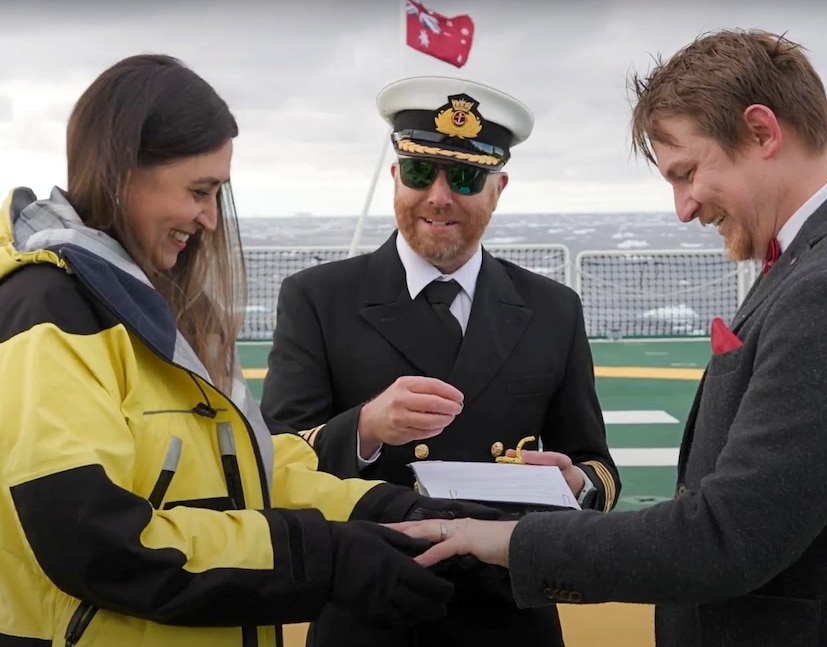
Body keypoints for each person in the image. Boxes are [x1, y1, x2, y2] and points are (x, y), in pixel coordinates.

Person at [0, 54, 500, 647]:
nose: (210, 219)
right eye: (199, 191)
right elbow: (94, 540)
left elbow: (256, 472)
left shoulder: (171, 315)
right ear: (124, 169)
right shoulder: (49, 312)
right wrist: (326, 558)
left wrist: (390, 511)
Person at [394, 29, 827, 647]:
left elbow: (727, 539)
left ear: (762, 132)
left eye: (687, 172)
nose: (683, 208)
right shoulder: (823, 258)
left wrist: (504, 539)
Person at [260, 75, 620, 647]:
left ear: (499, 188)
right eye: (423, 173)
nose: (439, 197)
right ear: (396, 176)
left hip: (507, 617)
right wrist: (366, 428)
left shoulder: (554, 309)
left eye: (467, 178)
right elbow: (276, 463)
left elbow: (596, 466)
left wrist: (575, 483)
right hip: (371, 612)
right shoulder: (317, 299)